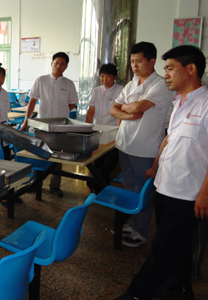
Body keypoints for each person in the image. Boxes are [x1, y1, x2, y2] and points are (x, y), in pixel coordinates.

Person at [115, 45, 208, 300]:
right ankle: (180, 288)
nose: (165, 74)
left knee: (162, 247)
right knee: (179, 245)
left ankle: (135, 295)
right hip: (165, 186)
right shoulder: (179, 101)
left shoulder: (206, 103)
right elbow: (170, 137)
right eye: (165, 69)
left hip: (188, 193)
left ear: (190, 69)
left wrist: (204, 194)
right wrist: (156, 165)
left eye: (170, 68)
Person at [110, 42, 174, 248]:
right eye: (132, 61)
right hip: (125, 144)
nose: (134, 65)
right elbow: (114, 109)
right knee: (130, 188)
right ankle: (133, 223)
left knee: (143, 190)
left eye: (138, 61)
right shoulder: (132, 84)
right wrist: (130, 113)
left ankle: (141, 232)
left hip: (144, 148)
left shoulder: (160, 84)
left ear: (152, 61)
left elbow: (140, 107)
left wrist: (128, 109)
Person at [20, 52, 78, 197]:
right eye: (56, 62)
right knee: (39, 153)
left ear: (66, 66)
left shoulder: (68, 84)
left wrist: (62, 112)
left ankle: (55, 185)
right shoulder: (41, 80)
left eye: (62, 63)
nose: (59, 66)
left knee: (58, 156)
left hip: (60, 127)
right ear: (51, 63)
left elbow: (72, 104)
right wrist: (27, 120)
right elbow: (32, 102)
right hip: (42, 125)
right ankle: (36, 183)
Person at [85, 63, 124, 186]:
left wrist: (118, 130)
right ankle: (100, 187)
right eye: (102, 76)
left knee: (109, 162)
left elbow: (121, 112)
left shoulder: (121, 90)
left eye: (108, 77)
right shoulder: (97, 90)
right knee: (98, 160)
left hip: (113, 131)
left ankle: (98, 184)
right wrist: (86, 128)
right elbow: (91, 111)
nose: (104, 80)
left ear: (115, 77)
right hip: (98, 130)